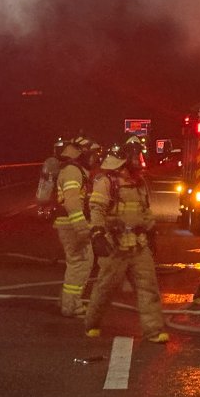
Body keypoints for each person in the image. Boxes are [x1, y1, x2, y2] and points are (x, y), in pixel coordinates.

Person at [84, 144, 169, 343]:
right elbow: (97, 209)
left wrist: (151, 231)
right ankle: (92, 324)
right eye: (136, 158)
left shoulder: (139, 183)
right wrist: (97, 233)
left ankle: (154, 331)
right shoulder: (106, 182)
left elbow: (144, 210)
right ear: (125, 161)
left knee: (148, 288)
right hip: (115, 245)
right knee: (105, 287)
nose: (139, 162)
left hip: (138, 245)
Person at [54, 136, 97, 317]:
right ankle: (71, 306)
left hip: (68, 223)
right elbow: (72, 201)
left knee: (77, 263)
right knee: (80, 263)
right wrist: (81, 227)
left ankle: (66, 301)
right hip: (72, 224)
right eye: (91, 153)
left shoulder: (73, 169)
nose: (94, 158)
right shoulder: (72, 171)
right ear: (81, 153)